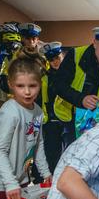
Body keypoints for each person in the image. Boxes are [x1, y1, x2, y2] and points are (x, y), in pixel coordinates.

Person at [0, 56, 52, 199]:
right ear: (10, 85)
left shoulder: (37, 112)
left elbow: (38, 142)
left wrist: (45, 172)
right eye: (20, 86)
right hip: (1, 182)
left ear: (40, 84)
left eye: (32, 86)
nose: (27, 92)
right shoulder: (10, 113)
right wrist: (10, 183)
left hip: (22, 179)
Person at [53, 26, 99, 147]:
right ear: (94, 43)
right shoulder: (75, 54)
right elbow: (58, 84)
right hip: (71, 118)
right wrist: (81, 99)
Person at [31, 41, 66, 183]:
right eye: (51, 59)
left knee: (68, 154)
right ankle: (49, 183)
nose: (55, 62)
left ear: (62, 56)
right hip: (50, 122)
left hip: (68, 121)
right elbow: (39, 100)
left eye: (57, 58)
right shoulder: (44, 78)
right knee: (52, 155)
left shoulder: (70, 76)